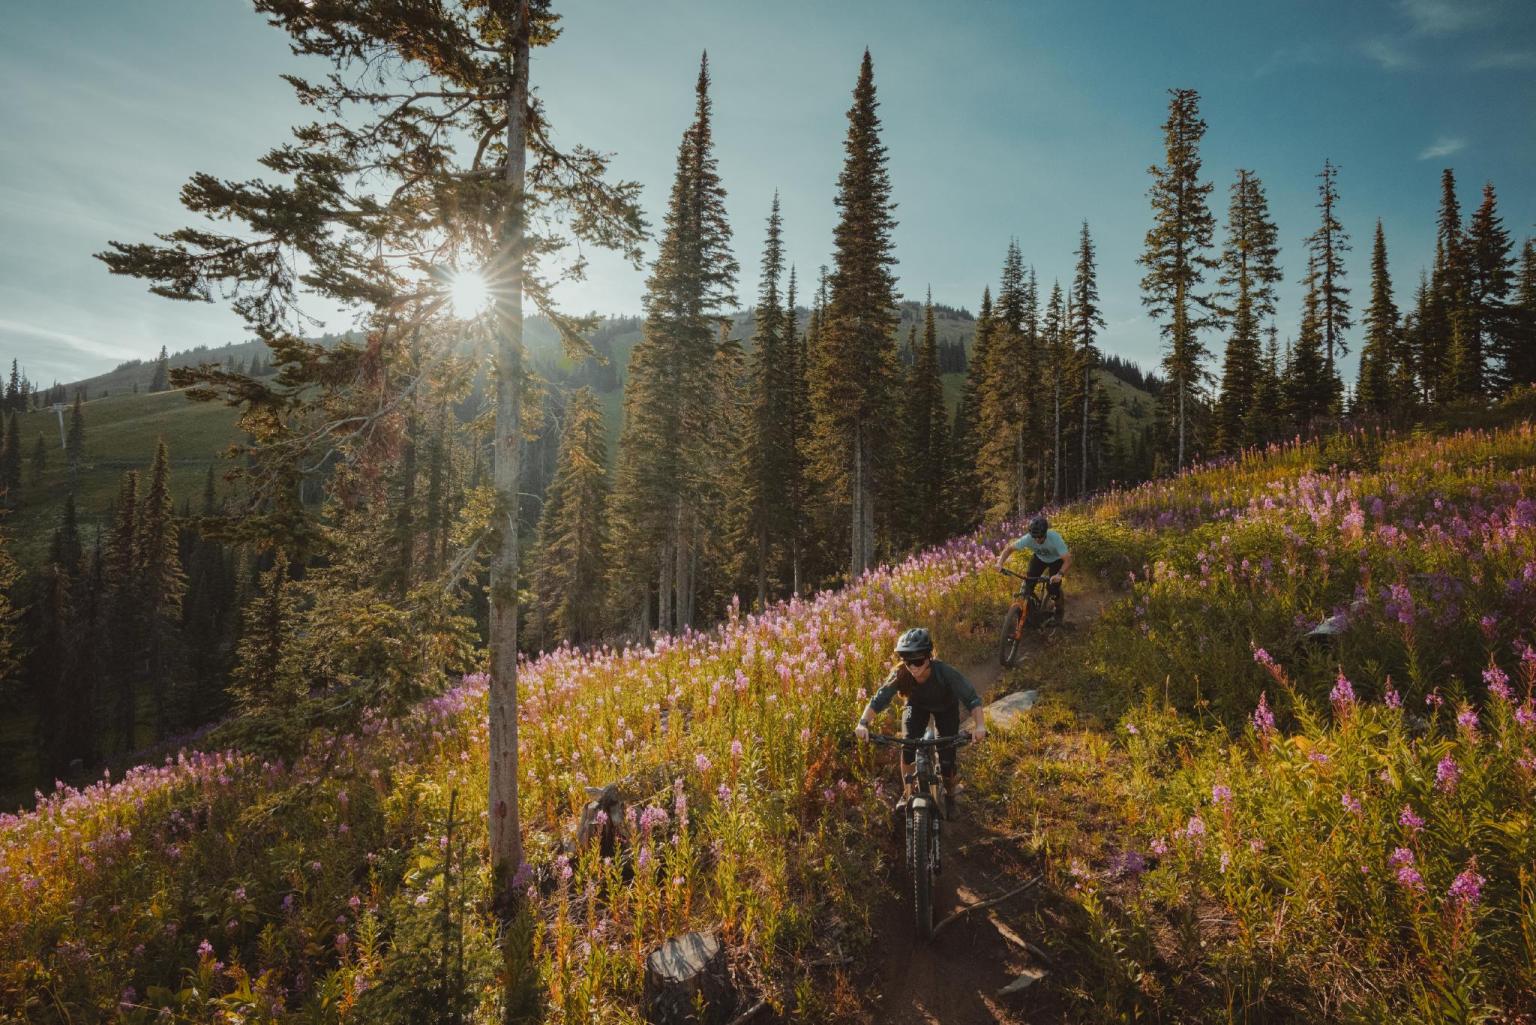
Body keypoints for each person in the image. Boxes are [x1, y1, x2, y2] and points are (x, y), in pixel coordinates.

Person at [854, 627, 985, 819]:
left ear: (929, 656)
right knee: (908, 746)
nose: (913, 667)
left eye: (918, 661)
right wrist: (863, 723)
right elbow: (879, 699)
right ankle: (907, 793)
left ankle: (950, 793)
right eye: (908, 662)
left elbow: (972, 699)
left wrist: (980, 725)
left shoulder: (945, 673)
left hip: (946, 708)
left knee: (947, 756)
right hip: (916, 707)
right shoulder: (901, 674)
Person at [996, 514, 1070, 624]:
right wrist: (1000, 563)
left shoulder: (1055, 538)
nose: (1036, 540)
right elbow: (1009, 549)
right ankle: (1028, 613)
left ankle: (1059, 611)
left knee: (1052, 588)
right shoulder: (1028, 538)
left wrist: (1060, 574)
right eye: (1034, 537)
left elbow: (1068, 560)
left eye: (1039, 537)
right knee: (1027, 586)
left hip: (1056, 560)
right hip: (1039, 559)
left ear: (1045, 533)